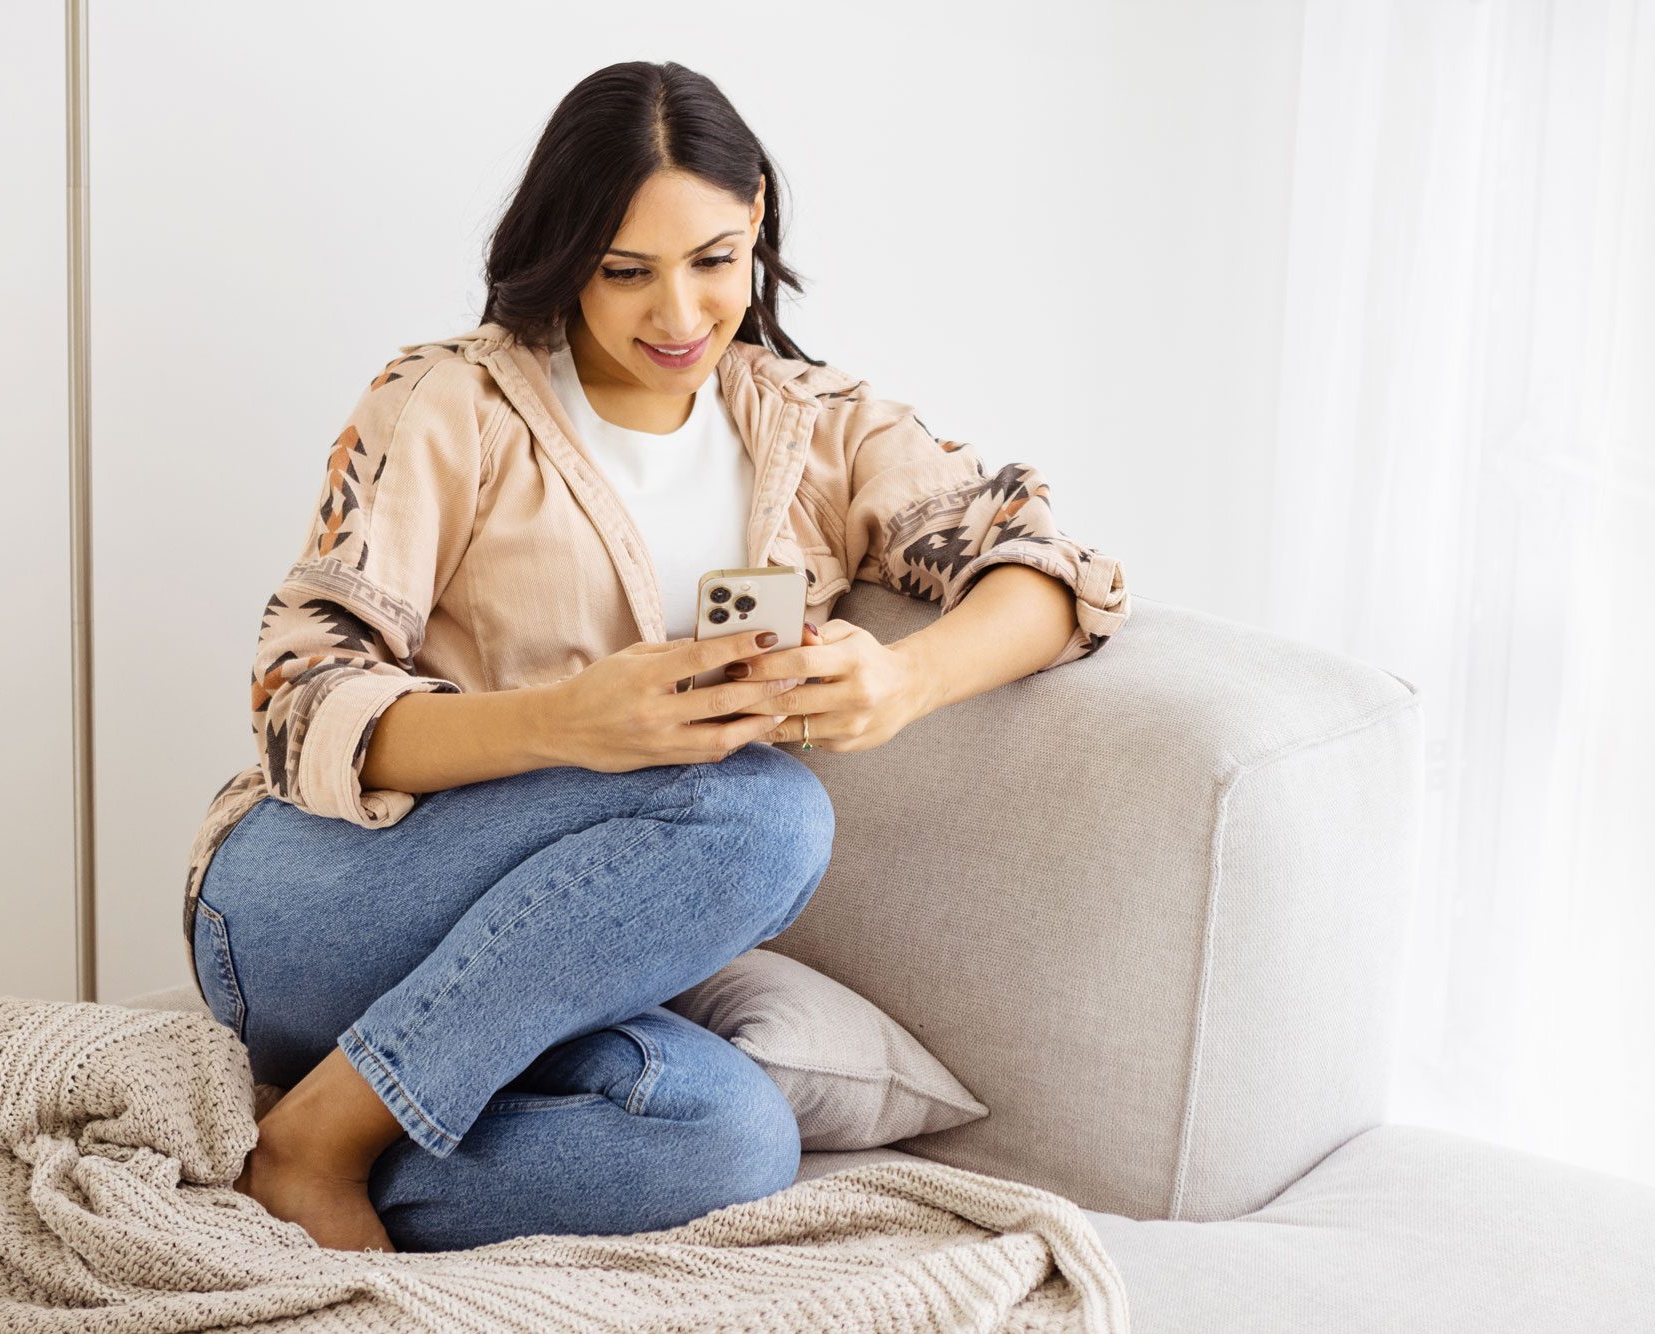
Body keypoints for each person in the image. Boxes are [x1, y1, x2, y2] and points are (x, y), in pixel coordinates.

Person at [183, 60, 1131, 1254]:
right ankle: (321, 1135)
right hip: (316, 897)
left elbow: (1051, 567)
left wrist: (902, 681)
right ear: (563, 250)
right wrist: (564, 723)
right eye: (624, 270)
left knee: (729, 1139)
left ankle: (294, 1150)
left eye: (713, 261)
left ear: (757, 234)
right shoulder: (449, 400)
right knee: (764, 815)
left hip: (548, 969)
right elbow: (295, 697)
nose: (678, 316)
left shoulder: (815, 426)